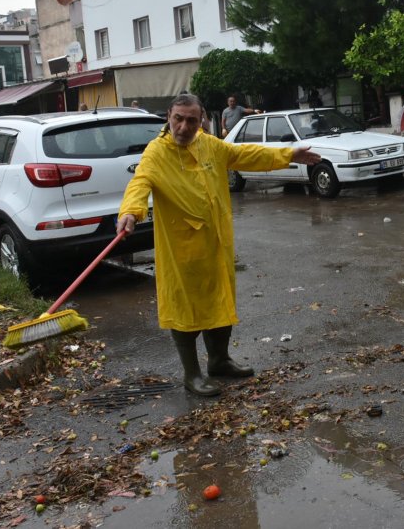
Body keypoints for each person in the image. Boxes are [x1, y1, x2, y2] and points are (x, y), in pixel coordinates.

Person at [116, 93, 321, 396]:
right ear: (168, 118)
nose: (184, 127)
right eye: (178, 119)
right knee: (185, 310)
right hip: (181, 249)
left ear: (202, 121)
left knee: (220, 302)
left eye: (191, 120)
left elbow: (247, 154)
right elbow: (139, 183)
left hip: (216, 244)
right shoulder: (156, 153)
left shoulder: (209, 145)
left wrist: (288, 155)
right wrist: (130, 213)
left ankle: (219, 360)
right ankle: (192, 374)